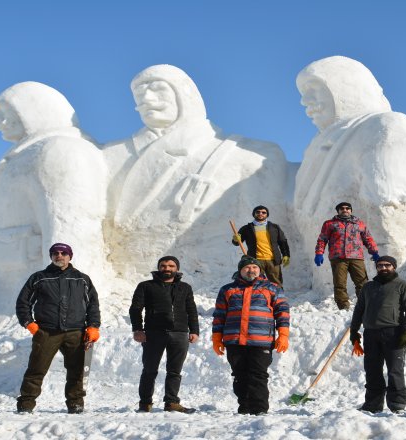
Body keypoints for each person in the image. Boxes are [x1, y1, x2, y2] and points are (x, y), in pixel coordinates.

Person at [102, 64, 288, 280]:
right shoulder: (111, 154)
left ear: (184, 94)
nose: (147, 100)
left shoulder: (249, 154)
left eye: (157, 89)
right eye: (139, 94)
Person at [0, 81, 108, 334]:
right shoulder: (26, 154)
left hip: (32, 304)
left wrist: (64, 306)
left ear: (33, 111)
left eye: (6, 110)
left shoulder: (60, 151)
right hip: (2, 298)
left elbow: (72, 230)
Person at [293, 56, 406, 281]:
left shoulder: (384, 126)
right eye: (303, 93)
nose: (305, 101)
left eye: (314, 88)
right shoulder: (317, 147)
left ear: (346, 88)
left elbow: (389, 205)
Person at [15, 243, 101, 414]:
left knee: (76, 371)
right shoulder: (39, 277)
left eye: (63, 253)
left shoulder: (82, 279)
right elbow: (23, 302)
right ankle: (26, 404)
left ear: (70, 256)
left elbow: (93, 305)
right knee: (36, 369)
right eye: (55, 253)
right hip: (46, 332)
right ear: (51, 256)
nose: (59, 256)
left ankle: (75, 404)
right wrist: (29, 323)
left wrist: (93, 326)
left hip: (76, 332)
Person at [212, 256, 290, 415]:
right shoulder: (227, 289)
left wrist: (283, 335)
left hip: (261, 341)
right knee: (239, 375)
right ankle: (244, 408)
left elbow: (282, 312)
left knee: (258, 375)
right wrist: (216, 338)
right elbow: (220, 315)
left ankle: (259, 410)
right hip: (234, 341)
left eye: (255, 267)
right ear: (240, 270)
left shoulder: (272, 288)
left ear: (260, 270)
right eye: (247, 267)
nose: (251, 270)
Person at [129, 256, 200, 413]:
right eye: (163, 265)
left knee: (175, 371)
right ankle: (145, 403)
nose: (167, 268)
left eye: (171, 266)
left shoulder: (185, 288)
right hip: (154, 333)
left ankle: (172, 402)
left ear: (177, 268)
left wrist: (194, 330)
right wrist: (138, 329)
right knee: (150, 370)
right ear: (158, 267)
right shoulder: (146, 286)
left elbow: (191, 310)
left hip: (180, 333)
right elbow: (135, 309)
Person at [349, 255, 406, 414]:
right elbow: (359, 310)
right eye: (380, 265)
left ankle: (397, 405)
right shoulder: (368, 287)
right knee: (372, 370)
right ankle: (373, 404)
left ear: (394, 267)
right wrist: (354, 331)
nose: (383, 268)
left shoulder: (402, 285)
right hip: (371, 334)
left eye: (387, 265)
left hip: (394, 333)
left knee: (395, 370)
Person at [314, 202, 381, 310]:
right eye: (342, 208)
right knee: (340, 284)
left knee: (362, 283)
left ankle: (364, 306)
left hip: (356, 257)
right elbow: (322, 239)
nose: (345, 210)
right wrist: (319, 253)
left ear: (351, 210)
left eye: (347, 208)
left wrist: (374, 252)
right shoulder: (330, 224)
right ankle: (343, 307)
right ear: (338, 211)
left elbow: (367, 239)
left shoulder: (359, 224)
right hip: (338, 258)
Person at [231, 205, 291, 285]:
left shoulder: (274, 227)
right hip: (255, 261)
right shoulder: (246, 228)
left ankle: (278, 297)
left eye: (263, 212)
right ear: (254, 214)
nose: (260, 214)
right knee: (255, 284)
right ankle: (256, 297)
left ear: (267, 214)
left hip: (273, 261)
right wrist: (235, 239)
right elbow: (237, 243)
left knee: (276, 284)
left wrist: (286, 255)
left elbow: (283, 242)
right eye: (258, 212)